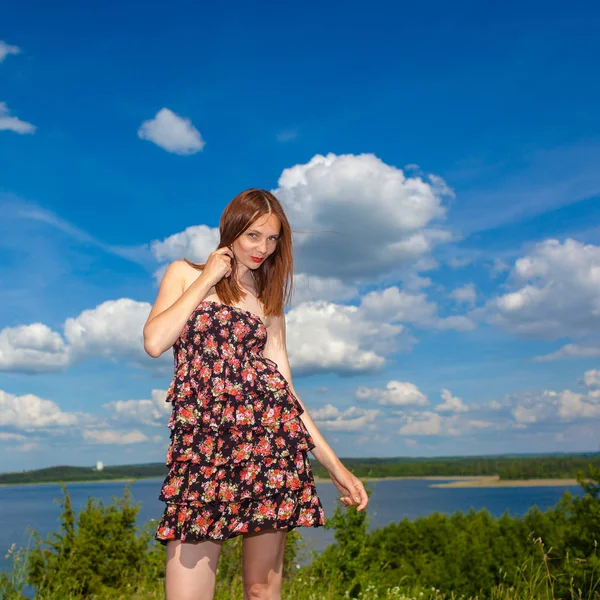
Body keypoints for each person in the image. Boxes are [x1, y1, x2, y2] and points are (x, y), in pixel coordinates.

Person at [143, 188, 369, 600]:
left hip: (268, 452)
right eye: (253, 236)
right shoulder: (183, 273)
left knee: (262, 592)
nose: (263, 248)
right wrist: (209, 277)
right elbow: (156, 341)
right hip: (202, 455)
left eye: (272, 239)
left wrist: (336, 467)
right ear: (231, 229)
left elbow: (286, 394)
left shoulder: (268, 302)